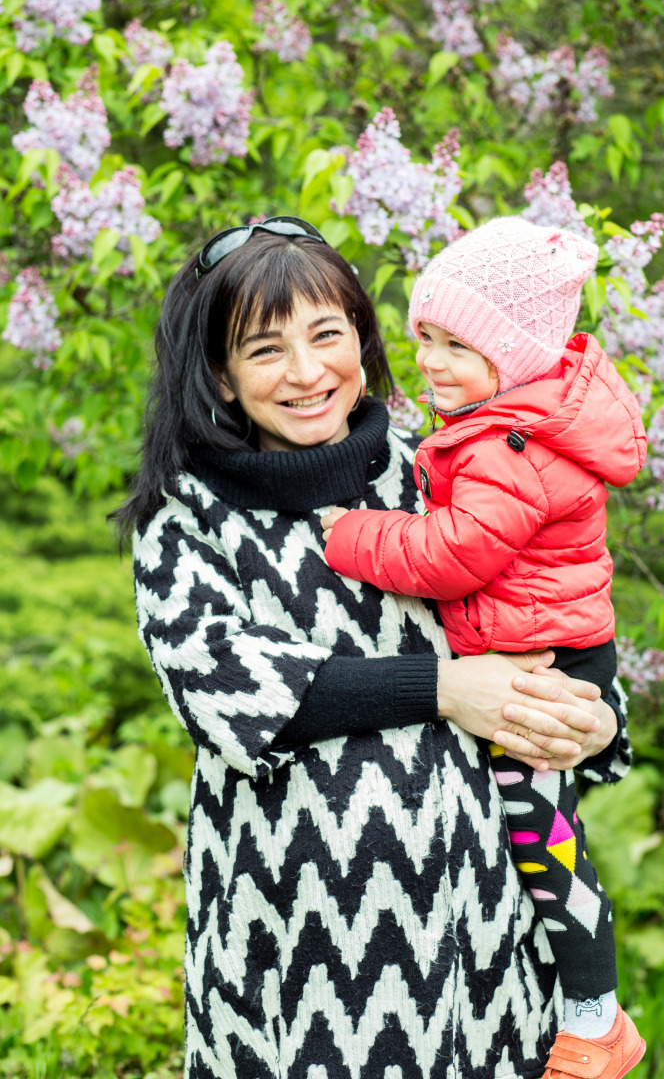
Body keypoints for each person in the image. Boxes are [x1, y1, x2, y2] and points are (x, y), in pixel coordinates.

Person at [115, 216, 632, 1079]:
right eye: (266, 349)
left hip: (488, 950)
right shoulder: (188, 516)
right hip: (294, 954)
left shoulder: (442, 467)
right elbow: (225, 690)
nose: (308, 372)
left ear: (362, 336)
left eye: (328, 334)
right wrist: (444, 687)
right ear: (220, 374)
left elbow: (558, 618)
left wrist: (597, 724)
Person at [322, 216, 647, 1079]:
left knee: (545, 836)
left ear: (517, 355)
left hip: (547, 659)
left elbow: (450, 553)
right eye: (424, 335)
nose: (429, 361)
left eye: (457, 345)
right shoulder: (504, 422)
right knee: (546, 829)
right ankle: (589, 1012)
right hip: (552, 647)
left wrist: (350, 535)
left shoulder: (509, 444)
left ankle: (597, 1018)